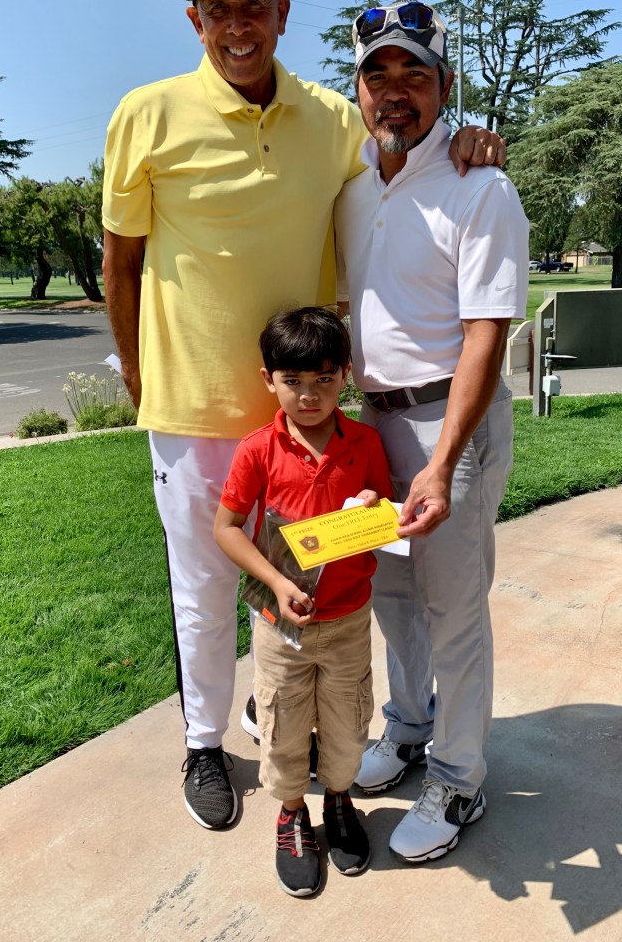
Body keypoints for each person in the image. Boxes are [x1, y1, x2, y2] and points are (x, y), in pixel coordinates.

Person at [102, 0, 507, 832]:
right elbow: (119, 264)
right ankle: (205, 743)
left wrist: (476, 139)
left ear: (282, 12)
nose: (236, 24)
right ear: (195, 20)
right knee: (204, 587)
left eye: (253, 4)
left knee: (324, 573)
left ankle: (315, 713)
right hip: (193, 409)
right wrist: (140, 380)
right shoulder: (145, 113)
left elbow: (408, 137)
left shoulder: (332, 118)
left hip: (310, 416)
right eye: (217, 8)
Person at [334, 0, 529, 863]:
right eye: (378, 73)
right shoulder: (351, 190)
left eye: (416, 73)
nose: (396, 90)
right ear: (358, 89)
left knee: (453, 610)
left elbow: (488, 333)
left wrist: (442, 464)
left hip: (453, 424)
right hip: (373, 427)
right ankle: (411, 728)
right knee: (394, 599)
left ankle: (458, 777)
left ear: (445, 87)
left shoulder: (480, 187)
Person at [213, 306, 393, 897]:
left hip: (348, 618)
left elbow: (385, 512)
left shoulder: (364, 443)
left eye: (323, 379)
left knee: (347, 723)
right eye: (292, 381)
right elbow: (227, 529)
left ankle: (339, 801)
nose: (309, 395)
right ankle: (292, 814)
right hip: (278, 624)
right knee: (283, 724)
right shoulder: (257, 450)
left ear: (346, 375)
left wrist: (372, 508)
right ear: (269, 379)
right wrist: (278, 581)